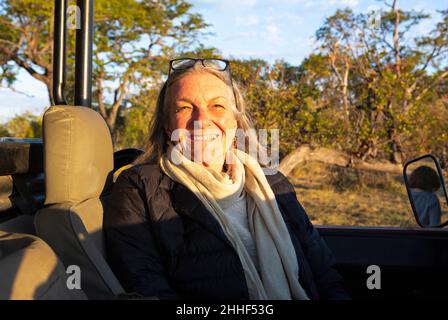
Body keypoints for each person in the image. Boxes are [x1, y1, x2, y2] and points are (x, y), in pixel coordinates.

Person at [103, 58, 350, 300]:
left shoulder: (272, 183)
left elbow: (324, 273)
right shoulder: (140, 188)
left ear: (235, 120)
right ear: (167, 125)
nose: (201, 121)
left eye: (217, 106)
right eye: (184, 108)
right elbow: (146, 285)